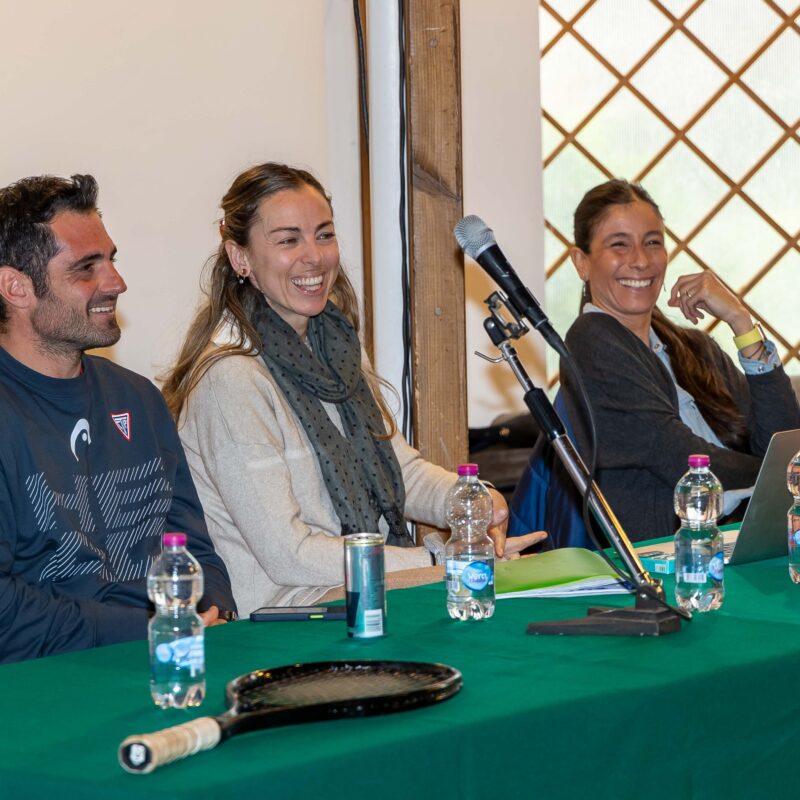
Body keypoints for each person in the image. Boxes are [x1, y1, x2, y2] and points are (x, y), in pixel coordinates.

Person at [162, 162, 544, 617]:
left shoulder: (336, 345)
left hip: (363, 590)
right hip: (288, 615)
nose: (315, 256)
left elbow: (400, 471)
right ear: (239, 257)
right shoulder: (231, 378)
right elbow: (289, 554)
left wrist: (472, 501)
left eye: (324, 234)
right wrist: (440, 560)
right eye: (288, 240)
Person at [0, 174, 236, 664]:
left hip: (173, 653)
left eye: (111, 259)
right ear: (16, 287)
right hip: (56, 681)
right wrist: (145, 630)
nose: (116, 282)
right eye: (86, 268)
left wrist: (215, 610)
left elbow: (192, 546)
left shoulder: (138, 397)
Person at [557, 178, 800, 541]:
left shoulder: (694, 348)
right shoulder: (591, 339)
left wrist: (741, 322)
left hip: (743, 540)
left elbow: (783, 440)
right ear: (581, 262)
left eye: (652, 242)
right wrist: (782, 476)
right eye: (619, 244)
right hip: (669, 555)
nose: (640, 260)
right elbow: (678, 456)